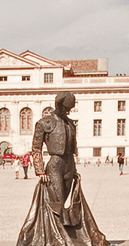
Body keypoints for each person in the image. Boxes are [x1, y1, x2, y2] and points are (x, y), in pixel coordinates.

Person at [17, 92, 108, 246]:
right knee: (57, 203)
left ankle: (64, 234)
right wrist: (40, 170)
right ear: (59, 105)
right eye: (66, 108)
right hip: (55, 165)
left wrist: (75, 169)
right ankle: (58, 237)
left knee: (66, 201)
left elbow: (72, 148)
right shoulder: (44, 123)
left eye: (70, 109)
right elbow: (36, 148)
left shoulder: (70, 123)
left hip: (69, 164)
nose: (68, 112)